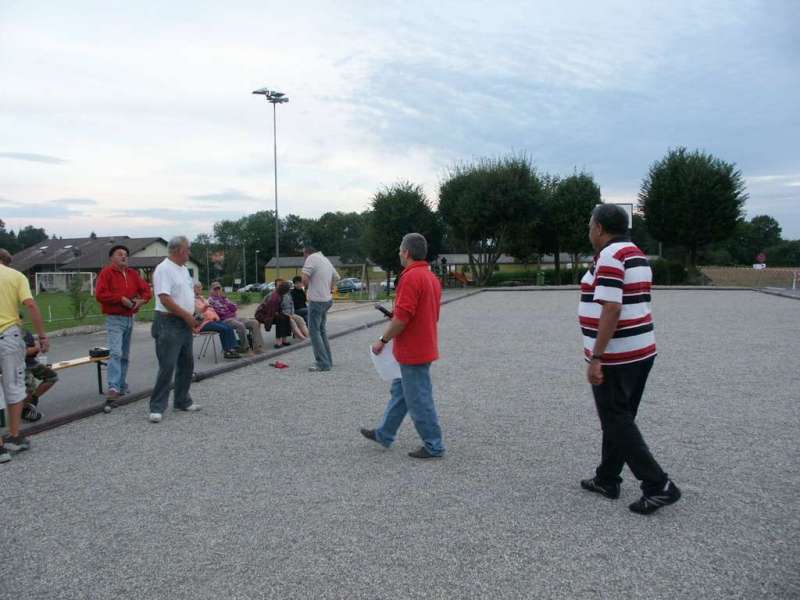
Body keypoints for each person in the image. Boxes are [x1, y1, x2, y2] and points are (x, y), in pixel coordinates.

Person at [578, 203, 681, 515]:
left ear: (599, 228)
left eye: (590, 224)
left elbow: (612, 307)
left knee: (615, 418)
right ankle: (607, 478)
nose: (589, 230)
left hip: (617, 356)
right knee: (620, 417)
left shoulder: (611, 256)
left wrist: (597, 357)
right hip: (640, 350)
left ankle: (658, 484)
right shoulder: (636, 252)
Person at [360, 233, 445, 459]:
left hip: (412, 350)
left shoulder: (410, 278)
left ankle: (434, 445)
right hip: (423, 345)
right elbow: (431, 314)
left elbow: (402, 318)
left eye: (400, 249)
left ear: (406, 252)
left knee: (419, 399)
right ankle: (385, 433)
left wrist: (383, 340)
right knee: (402, 392)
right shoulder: (431, 277)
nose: (399, 252)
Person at [0, 247, 49, 463]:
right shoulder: (15, 276)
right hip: (8, 336)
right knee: (14, 387)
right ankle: (14, 436)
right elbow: (30, 304)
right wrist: (41, 336)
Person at [149, 236, 201, 424]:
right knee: (167, 365)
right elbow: (165, 298)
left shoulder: (183, 270)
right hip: (168, 322)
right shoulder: (164, 269)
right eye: (188, 249)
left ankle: (182, 401)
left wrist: (194, 313)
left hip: (184, 322)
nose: (190, 252)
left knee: (186, 364)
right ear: (179, 250)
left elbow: (185, 294)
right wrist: (186, 315)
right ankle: (157, 407)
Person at [95, 244, 152, 412]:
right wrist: (120, 299)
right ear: (112, 257)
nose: (124, 256)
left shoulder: (133, 274)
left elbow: (147, 291)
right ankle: (113, 387)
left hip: (129, 318)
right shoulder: (106, 273)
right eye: (120, 254)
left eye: (126, 254)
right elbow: (100, 294)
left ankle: (120, 384)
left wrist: (142, 301)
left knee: (125, 355)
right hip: (114, 319)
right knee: (116, 353)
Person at [301, 244, 340, 372]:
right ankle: (328, 359)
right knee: (321, 330)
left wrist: (307, 289)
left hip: (316, 300)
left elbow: (304, 278)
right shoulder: (325, 259)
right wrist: (329, 289)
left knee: (314, 332)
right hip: (327, 300)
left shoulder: (311, 258)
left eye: (303, 255)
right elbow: (337, 277)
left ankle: (322, 363)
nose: (303, 258)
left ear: (306, 253)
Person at [207, 281, 265, 354]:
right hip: (224, 320)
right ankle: (246, 348)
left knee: (254, 322)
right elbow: (218, 312)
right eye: (215, 289)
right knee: (240, 325)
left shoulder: (224, 298)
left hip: (234, 317)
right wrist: (224, 306)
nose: (217, 291)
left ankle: (257, 347)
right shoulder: (210, 300)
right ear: (211, 290)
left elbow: (234, 308)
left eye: (219, 289)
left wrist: (225, 301)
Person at [193, 282, 241, 359]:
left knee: (228, 327)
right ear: (193, 289)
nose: (199, 289)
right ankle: (227, 351)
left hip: (212, 321)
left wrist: (215, 316)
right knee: (224, 329)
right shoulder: (192, 300)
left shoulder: (203, 298)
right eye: (197, 287)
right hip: (202, 323)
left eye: (200, 287)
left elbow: (212, 310)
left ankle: (233, 348)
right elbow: (198, 311)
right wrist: (206, 306)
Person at [21, 328, 58, 422]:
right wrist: (36, 348)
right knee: (29, 387)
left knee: (52, 376)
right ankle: (25, 412)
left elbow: (31, 351)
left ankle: (33, 400)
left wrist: (39, 349)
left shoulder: (26, 332)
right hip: (19, 365)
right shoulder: (8, 333)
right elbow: (21, 353)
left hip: (31, 362)